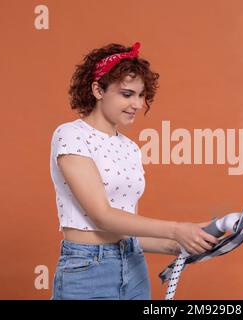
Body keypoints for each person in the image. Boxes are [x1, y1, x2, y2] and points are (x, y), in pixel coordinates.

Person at [49, 41, 219, 300]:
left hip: (133, 267)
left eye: (141, 95)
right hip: (87, 271)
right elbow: (103, 216)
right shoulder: (71, 136)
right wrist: (177, 230)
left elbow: (127, 229)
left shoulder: (130, 148)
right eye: (127, 94)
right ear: (98, 90)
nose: (138, 104)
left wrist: (183, 242)